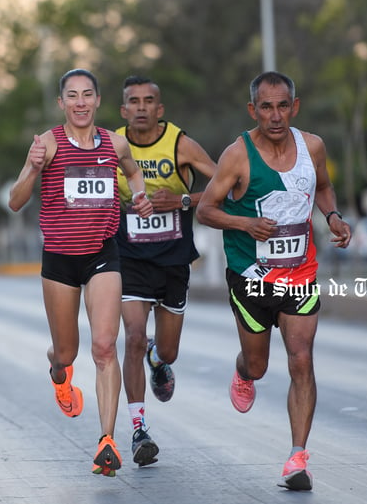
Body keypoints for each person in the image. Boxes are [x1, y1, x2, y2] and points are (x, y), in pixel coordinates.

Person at [196, 71, 351, 491]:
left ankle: (297, 458)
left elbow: (323, 186)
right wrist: (245, 223)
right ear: (253, 110)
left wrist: (332, 216)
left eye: (283, 105)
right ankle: (243, 371)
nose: (276, 115)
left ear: (294, 107)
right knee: (260, 365)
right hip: (251, 275)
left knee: (301, 358)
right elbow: (205, 211)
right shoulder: (237, 155)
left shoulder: (312, 146)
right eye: (266, 107)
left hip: (300, 273)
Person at [8, 68, 153, 478]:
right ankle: (58, 370)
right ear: (62, 104)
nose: (81, 102)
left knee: (105, 347)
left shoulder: (115, 142)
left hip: (103, 255)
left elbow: (132, 170)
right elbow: (15, 201)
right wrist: (33, 169)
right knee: (68, 351)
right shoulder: (47, 144)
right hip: (60, 261)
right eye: (72, 95)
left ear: (98, 100)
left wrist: (138, 196)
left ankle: (106, 440)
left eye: (87, 94)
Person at [113, 76, 217, 467]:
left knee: (166, 348)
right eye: (133, 102)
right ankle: (139, 430)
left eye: (148, 101)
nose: (141, 107)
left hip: (173, 261)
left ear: (160, 109)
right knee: (134, 338)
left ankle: (160, 360)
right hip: (129, 260)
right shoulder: (112, 145)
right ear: (123, 111)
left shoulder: (180, 144)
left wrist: (183, 199)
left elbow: (229, 184)